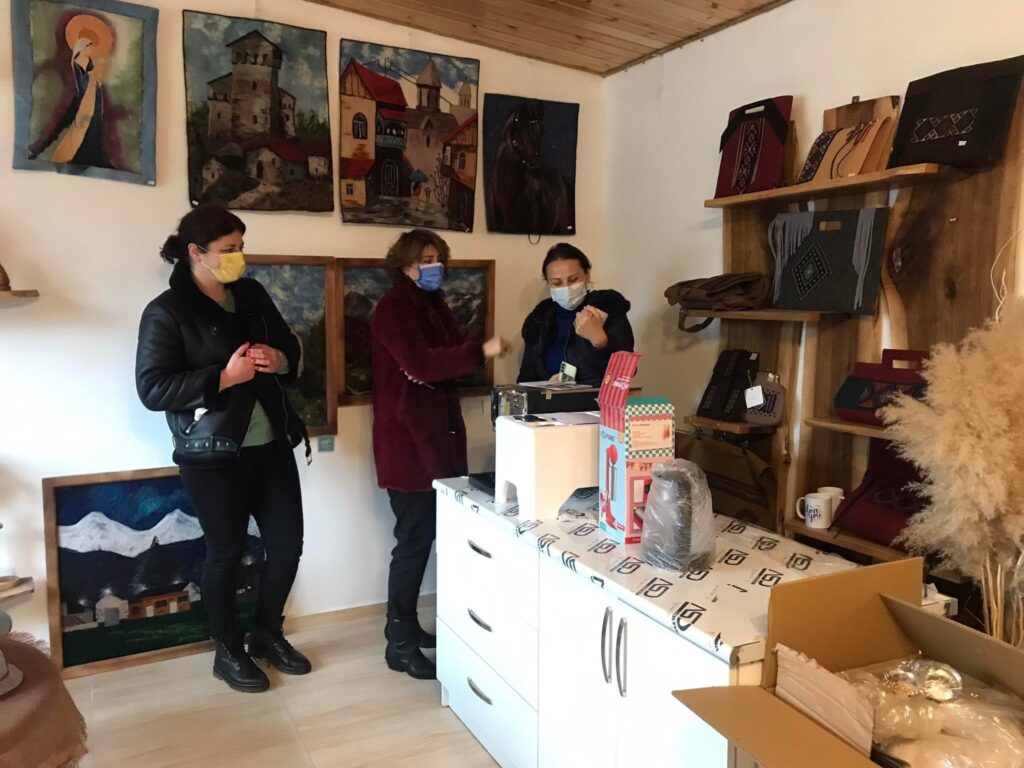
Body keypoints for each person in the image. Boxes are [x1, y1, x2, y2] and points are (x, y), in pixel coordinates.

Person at [135, 206, 311, 693]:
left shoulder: (251, 295)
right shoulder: (167, 311)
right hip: (212, 454)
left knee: (288, 547)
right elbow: (152, 388)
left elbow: (290, 349)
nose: (239, 257)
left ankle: (267, 632)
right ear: (196, 252)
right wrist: (223, 378)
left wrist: (279, 358)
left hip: (271, 444)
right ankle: (227, 649)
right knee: (225, 554)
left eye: (241, 247)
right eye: (229, 249)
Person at [371, 229, 509, 680]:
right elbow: (422, 365)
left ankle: (406, 626)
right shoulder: (394, 308)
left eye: (437, 258)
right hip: (409, 445)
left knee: (429, 537)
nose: (433, 266)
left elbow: (433, 366)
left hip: (438, 440)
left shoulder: (433, 304)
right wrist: (479, 351)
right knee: (413, 543)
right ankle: (398, 643)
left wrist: (442, 364)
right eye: (424, 259)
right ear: (404, 264)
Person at [517, 243, 634, 386]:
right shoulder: (540, 319)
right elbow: (526, 378)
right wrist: (547, 386)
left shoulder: (607, 307)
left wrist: (601, 341)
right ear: (548, 284)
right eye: (557, 283)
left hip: (595, 398)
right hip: (548, 399)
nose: (566, 287)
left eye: (573, 280)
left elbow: (626, 371)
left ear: (586, 275)